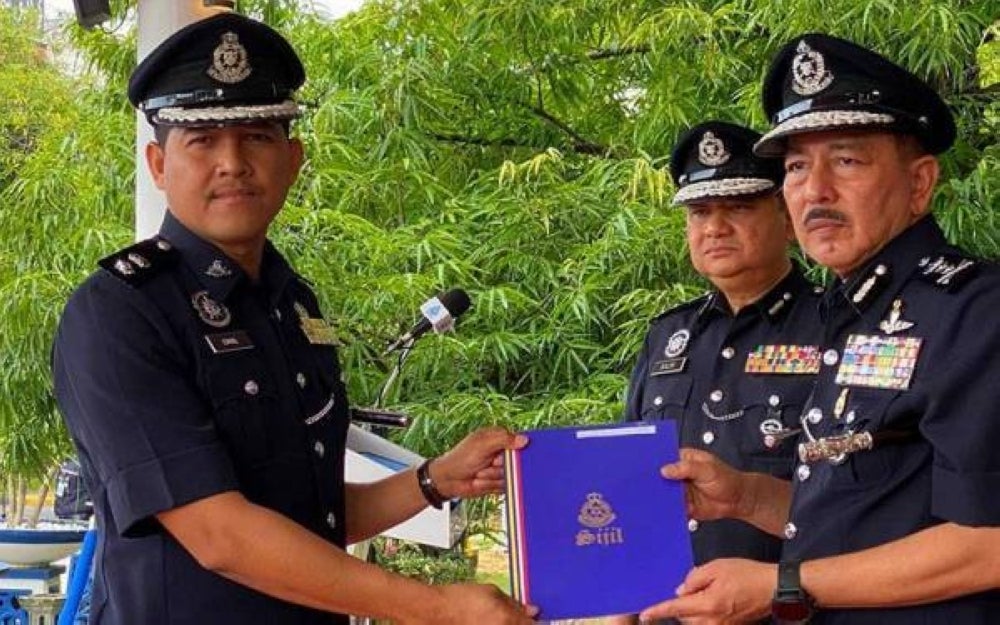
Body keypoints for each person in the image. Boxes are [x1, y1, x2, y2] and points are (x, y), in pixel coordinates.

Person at [51, 12, 536, 625]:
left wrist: (434, 480)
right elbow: (219, 532)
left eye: (256, 135)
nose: (232, 162)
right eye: (202, 140)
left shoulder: (291, 304)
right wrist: (436, 607)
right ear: (157, 164)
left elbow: (310, 514)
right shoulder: (120, 312)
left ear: (294, 157)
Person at [638, 33, 1000, 624]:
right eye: (798, 166)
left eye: (848, 159)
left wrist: (782, 584)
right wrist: (748, 496)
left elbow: (990, 543)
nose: (816, 190)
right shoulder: (852, 311)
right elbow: (865, 517)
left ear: (919, 184)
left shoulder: (974, 311)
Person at [612, 121, 822, 624]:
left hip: (789, 609)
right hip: (666, 612)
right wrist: (617, 610)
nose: (715, 228)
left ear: (787, 217)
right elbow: (630, 482)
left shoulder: (837, 328)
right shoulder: (667, 336)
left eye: (739, 207)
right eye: (700, 212)